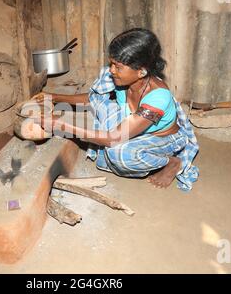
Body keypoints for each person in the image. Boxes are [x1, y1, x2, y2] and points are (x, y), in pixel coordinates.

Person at [32, 28, 199, 191]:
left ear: (141, 71)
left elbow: (114, 138)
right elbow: (93, 99)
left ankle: (171, 162)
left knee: (118, 153)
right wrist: (54, 97)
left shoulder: (157, 98)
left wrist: (59, 125)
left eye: (118, 67)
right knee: (99, 99)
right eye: (111, 63)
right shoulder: (122, 81)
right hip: (133, 123)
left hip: (163, 138)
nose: (111, 70)